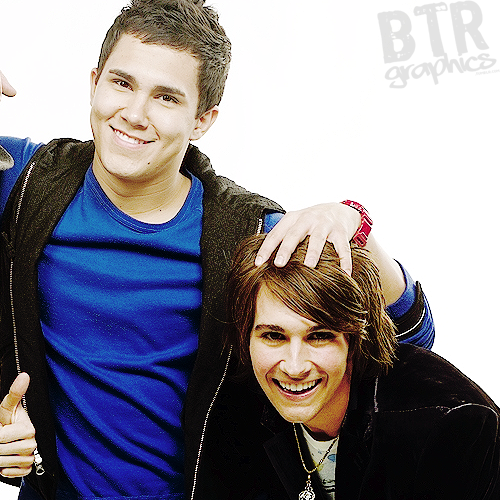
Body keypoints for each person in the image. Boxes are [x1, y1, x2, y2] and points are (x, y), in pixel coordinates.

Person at [0, 1, 434, 499]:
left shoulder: (251, 234)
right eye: (122, 83)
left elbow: (410, 340)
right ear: (94, 82)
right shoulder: (23, 181)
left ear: (202, 120)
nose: (134, 114)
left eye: (166, 97)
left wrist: (353, 223)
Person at [224, 234, 500, 499]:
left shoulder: (447, 427)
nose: (294, 367)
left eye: (320, 336)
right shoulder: (240, 408)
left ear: (356, 339)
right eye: (274, 336)